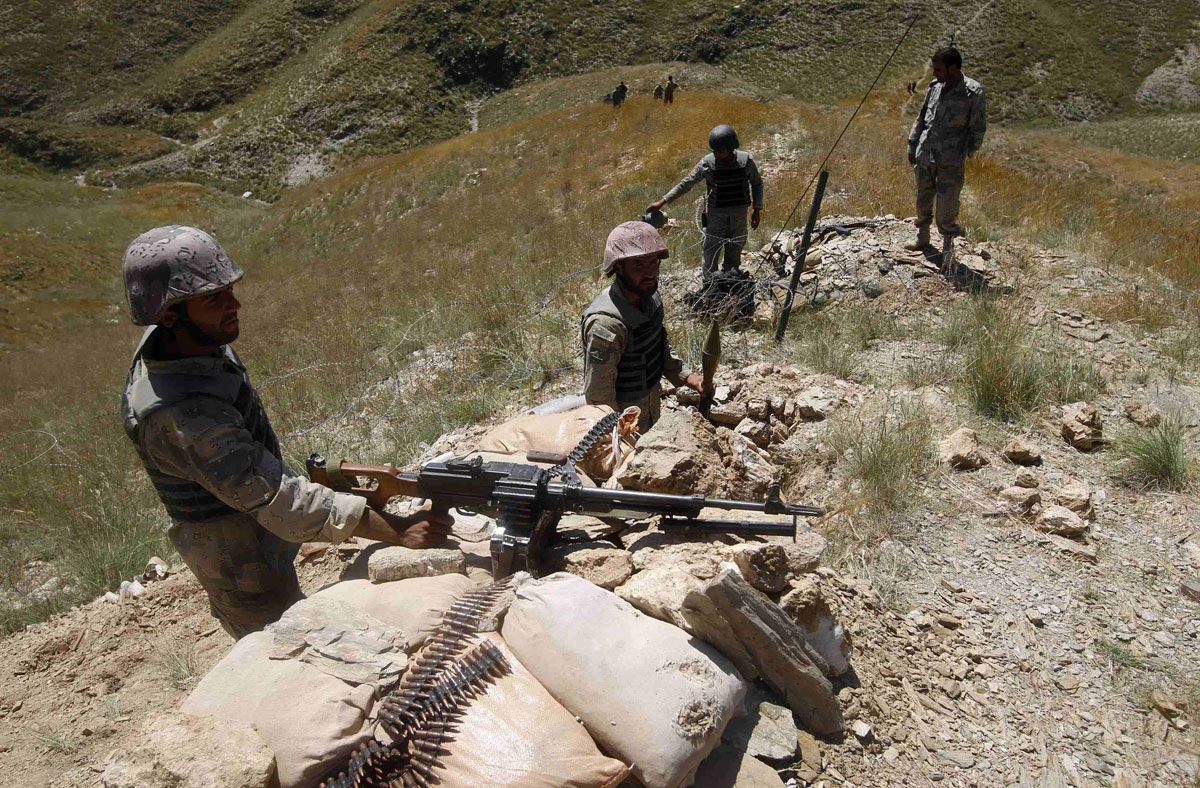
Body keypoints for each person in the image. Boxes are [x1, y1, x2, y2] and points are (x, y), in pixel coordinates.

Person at [119, 225, 452, 639]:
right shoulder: (181, 413)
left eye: (230, 289)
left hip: (255, 523)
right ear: (169, 313)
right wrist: (397, 530)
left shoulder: (188, 337)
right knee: (284, 648)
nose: (234, 304)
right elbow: (279, 500)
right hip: (237, 559)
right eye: (214, 298)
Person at [581, 222, 712, 432]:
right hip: (623, 419)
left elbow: (658, 347)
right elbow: (599, 397)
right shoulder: (606, 324)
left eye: (653, 263)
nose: (650, 273)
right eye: (639, 265)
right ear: (618, 267)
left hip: (651, 402)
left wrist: (687, 377)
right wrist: (618, 433)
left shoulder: (650, 297)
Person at [646, 124, 763, 280]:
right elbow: (686, 183)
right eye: (714, 151)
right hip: (716, 217)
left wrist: (757, 209)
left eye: (719, 151)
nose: (716, 155)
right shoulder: (708, 163)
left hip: (739, 217)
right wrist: (663, 201)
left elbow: (757, 183)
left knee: (734, 252)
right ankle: (710, 285)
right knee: (710, 254)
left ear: (730, 148)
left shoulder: (746, 161)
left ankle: (731, 282)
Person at [905, 46, 987, 262]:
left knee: (947, 205)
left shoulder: (973, 92)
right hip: (926, 153)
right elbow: (922, 118)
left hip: (950, 159)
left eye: (939, 69)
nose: (934, 73)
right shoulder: (935, 87)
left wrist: (969, 151)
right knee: (922, 198)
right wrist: (912, 143)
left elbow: (978, 126)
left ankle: (948, 249)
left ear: (953, 68)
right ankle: (922, 237)